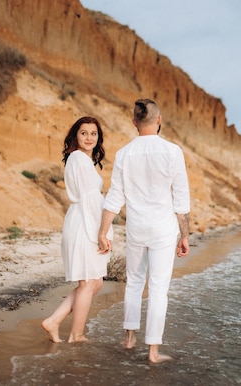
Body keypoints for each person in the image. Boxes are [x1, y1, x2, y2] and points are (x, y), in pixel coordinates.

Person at [97, 98, 190, 363]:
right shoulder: (173, 152)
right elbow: (181, 199)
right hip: (163, 229)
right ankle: (153, 352)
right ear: (159, 120)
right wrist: (185, 235)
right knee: (159, 288)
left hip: (137, 228)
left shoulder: (125, 153)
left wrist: (103, 231)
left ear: (134, 121)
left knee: (134, 283)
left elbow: (115, 196)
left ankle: (129, 338)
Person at [42, 116, 112, 343]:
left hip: (83, 219)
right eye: (84, 133)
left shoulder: (80, 160)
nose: (89, 137)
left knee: (95, 282)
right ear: (76, 135)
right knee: (88, 282)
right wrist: (102, 233)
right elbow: (91, 200)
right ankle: (76, 334)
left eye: (93, 133)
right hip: (85, 222)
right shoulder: (79, 159)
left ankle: (54, 321)